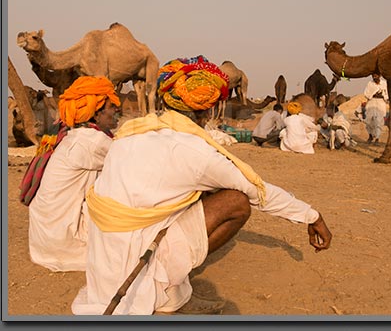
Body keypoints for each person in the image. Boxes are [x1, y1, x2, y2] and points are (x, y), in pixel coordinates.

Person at [71, 57, 332, 315]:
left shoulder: (131, 132)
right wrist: (311, 215)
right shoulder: (196, 152)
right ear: (206, 111)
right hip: (136, 267)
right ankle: (170, 290)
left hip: (101, 265)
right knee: (236, 202)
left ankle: (168, 282)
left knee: (195, 193)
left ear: (166, 100)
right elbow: (257, 191)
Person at [24, 76, 121, 272]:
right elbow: (131, 159)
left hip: (45, 236)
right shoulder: (91, 142)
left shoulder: (72, 135)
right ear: (96, 112)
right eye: (111, 106)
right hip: (61, 240)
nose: (115, 111)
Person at [363, 71, 388, 145]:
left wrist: (382, 95)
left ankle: (377, 138)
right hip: (372, 102)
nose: (374, 77)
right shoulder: (370, 84)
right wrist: (374, 93)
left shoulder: (384, 83)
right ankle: (370, 136)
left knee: (379, 121)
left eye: (376, 75)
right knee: (369, 121)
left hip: (381, 103)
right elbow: (366, 94)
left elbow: (387, 94)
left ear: (380, 75)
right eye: (373, 76)